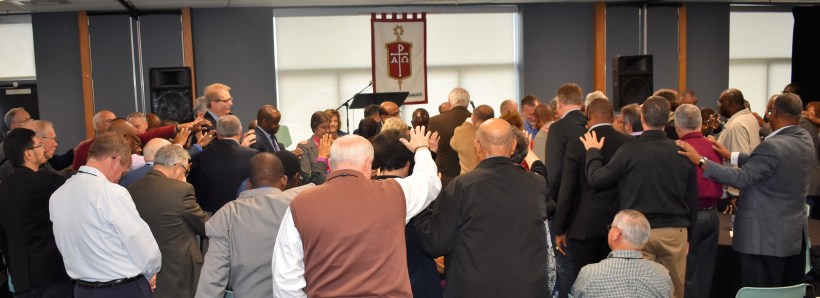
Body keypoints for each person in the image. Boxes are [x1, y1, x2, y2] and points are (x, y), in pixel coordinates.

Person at [272, 128, 441, 297]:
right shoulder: (395, 194)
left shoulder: (300, 204)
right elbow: (429, 181)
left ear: (330, 165)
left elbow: (285, 279)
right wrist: (422, 149)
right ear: (369, 165)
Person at [677, 92, 815, 288]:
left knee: (758, 289)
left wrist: (700, 161)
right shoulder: (804, 139)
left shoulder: (773, 147)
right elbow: (770, 163)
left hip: (763, 238)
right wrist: (731, 155)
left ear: (774, 113)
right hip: (790, 235)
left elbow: (743, 177)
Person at [416, 119, 550, 297]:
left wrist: (425, 201)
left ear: (478, 146)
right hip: (528, 289)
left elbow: (435, 243)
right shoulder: (536, 185)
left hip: (475, 289)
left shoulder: (462, 187)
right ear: (513, 146)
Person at [579, 96, 696, 298]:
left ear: (642, 118)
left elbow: (597, 179)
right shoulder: (682, 151)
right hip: (675, 231)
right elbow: (692, 198)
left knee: (639, 291)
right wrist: (689, 235)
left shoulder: (629, 150)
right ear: (668, 118)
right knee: (675, 291)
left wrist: (592, 152)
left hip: (638, 233)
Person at [50, 132, 161, 297]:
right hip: (122, 290)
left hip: (82, 290)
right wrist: (151, 271)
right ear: (116, 160)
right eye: (123, 172)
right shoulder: (112, 192)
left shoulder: (58, 195)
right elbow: (137, 240)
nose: (119, 178)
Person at [196, 152, 314, 298]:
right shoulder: (300, 204)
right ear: (283, 180)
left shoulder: (227, 214)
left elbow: (212, 278)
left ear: (248, 184)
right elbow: (317, 186)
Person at [554, 98, 634, 274]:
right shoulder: (627, 143)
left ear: (588, 115)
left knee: (585, 281)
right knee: (616, 281)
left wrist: (559, 228)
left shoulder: (576, 144)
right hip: (618, 225)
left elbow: (567, 189)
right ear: (612, 117)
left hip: (583, 227)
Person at [128, 144, 208, 298]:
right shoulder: (181, 189)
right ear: (177, 167)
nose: (185, 175)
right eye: (186, 171)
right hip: (179, 272)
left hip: (144, 271)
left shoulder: (131, 189)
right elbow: (205, 226)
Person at [0, 128, 73, 297]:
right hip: (51, 274)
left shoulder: (3, 187)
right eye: (39, 145)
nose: (43, 148)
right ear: (28, 154)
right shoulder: (48, 182)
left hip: (20, 277)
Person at [371, 130, 443, 297]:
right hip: (418, 280)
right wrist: (424, 152)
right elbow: (433, 241)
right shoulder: (414, 192)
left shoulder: (367, 191)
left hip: (379, 281)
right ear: (409, 162)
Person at [671, 104, 722, 298]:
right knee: (705, 272)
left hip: (689, 217)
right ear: (700, 124)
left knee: (687, 273)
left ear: (677, 126)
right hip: (712, 215)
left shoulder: (679, 149)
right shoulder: (715, 146)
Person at [571, 210, 673, 298]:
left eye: (611, 227)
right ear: (645, 239)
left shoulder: (589, 274)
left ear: (617, 234)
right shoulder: (662, 275)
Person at [546, 83, 587, 298]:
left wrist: (550, 207)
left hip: (565, 207)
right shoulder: (591, 125)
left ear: (559, 103)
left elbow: (554, 174)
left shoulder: (558, 128)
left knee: (565, 264)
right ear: (580, 103)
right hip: (593, 209)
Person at [190, 115, 259, 213]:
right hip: (245, 211)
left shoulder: (203, 155)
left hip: (214, 214)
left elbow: (200, 189)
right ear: (240, 131)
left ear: (217, 133)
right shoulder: (253, 155)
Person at [715, 88, 761, 212]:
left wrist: (735, 194)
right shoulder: (749, 117)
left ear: (730, 104)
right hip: (748, 184)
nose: (718, 106)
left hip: (737, 191)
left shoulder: (736, 125)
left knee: (734, 229)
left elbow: (738, 158)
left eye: (720, 102)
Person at [428, 87, 472, 187]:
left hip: (444, 179)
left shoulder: (433, 122)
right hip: (472, 179)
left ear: (450, 102)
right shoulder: (478, 122)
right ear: (468, 102)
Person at [451, 104, 494, 174]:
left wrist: (466, 124)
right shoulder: (498, 133)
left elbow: (453, 144)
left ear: (473, 118)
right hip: (491, 178)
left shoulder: (461, 132)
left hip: (466, 180)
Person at [296, 111, 332, 184]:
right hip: (315, 186)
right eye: (323, 127)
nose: (327, 131)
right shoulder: (304, 146)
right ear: (314, 128)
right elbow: (307, 175)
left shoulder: (334, 144)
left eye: (328, 127)